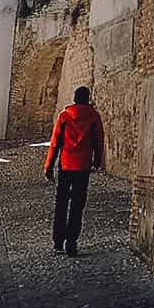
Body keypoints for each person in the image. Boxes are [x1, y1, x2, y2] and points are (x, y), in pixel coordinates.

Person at [44, 85, 105, 254]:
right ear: (88, 98)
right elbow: (98, 141)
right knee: (78, 205)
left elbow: (55, 143)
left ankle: (57, 242)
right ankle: (71, 242)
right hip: (83, 166)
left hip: (65, 165)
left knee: (61, 204)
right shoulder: (94, 117)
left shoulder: (64, 116)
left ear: (74, 98)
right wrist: (97, 160)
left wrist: (48, 166)